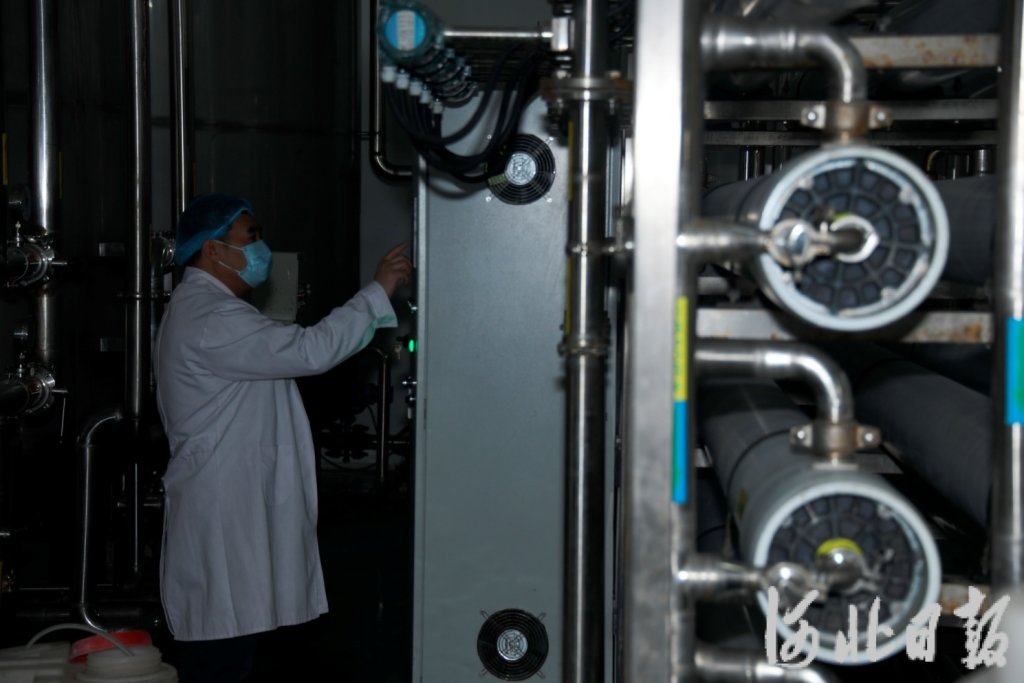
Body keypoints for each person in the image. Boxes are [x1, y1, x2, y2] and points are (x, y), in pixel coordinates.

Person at [153, 193, 412, 682]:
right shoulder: (212, 318)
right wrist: (378, 291)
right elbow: (311, 350)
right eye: (251, 237)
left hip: (233, 504)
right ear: (212, 249)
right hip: (224, 511)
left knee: (233, 641)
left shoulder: (208, 310)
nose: (261, 249)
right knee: (221, 652)